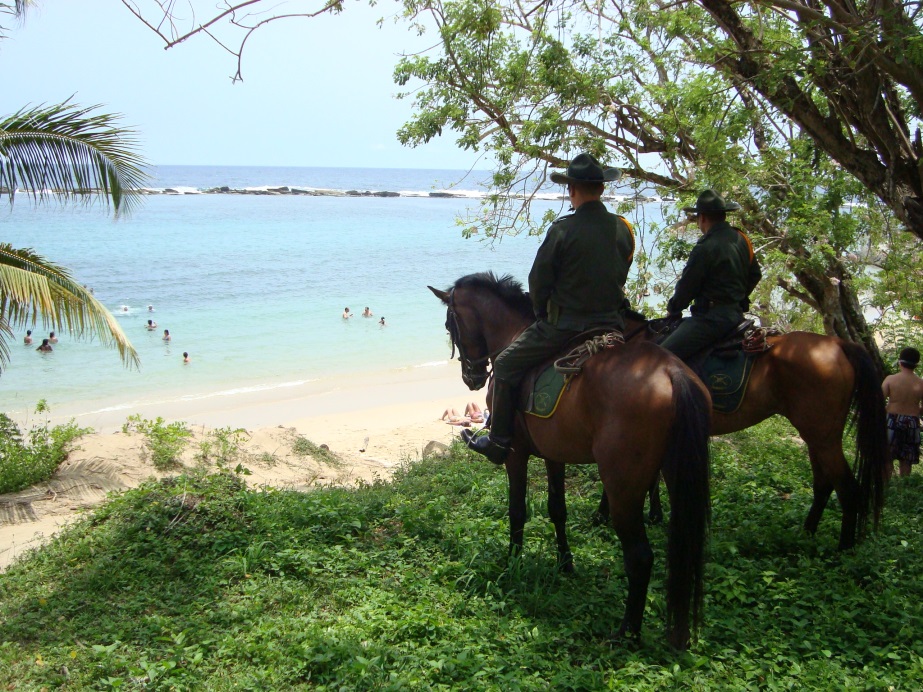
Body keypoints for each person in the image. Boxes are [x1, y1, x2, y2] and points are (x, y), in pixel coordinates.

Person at [461, 152, 634, 463]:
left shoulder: (563, 230)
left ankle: (499, 441)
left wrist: (542, 315)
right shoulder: (623, 228)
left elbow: (538, 280)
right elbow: (621, 272)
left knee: (505, 365)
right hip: (612, 324)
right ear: (602, 189)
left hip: (564, 327)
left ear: (572, 189)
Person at [658, 189, 762, 361]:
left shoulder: (705, 247)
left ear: (703, 218)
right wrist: (736, 297)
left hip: (710, 321)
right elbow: (755, 275)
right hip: (736, 314)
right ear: (723, 215)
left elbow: (687, 287)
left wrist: (673, 309)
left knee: (659, 357)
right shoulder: (742, 239)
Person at [882, 347, 923, 477]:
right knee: (907, 460)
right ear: (916, 364)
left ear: (899, 362)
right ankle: (904, 486)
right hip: (912, 422)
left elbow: (878, 402)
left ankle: (886, 487)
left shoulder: (890, 379)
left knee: (887, 457)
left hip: (891, 421)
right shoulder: (921, 383)